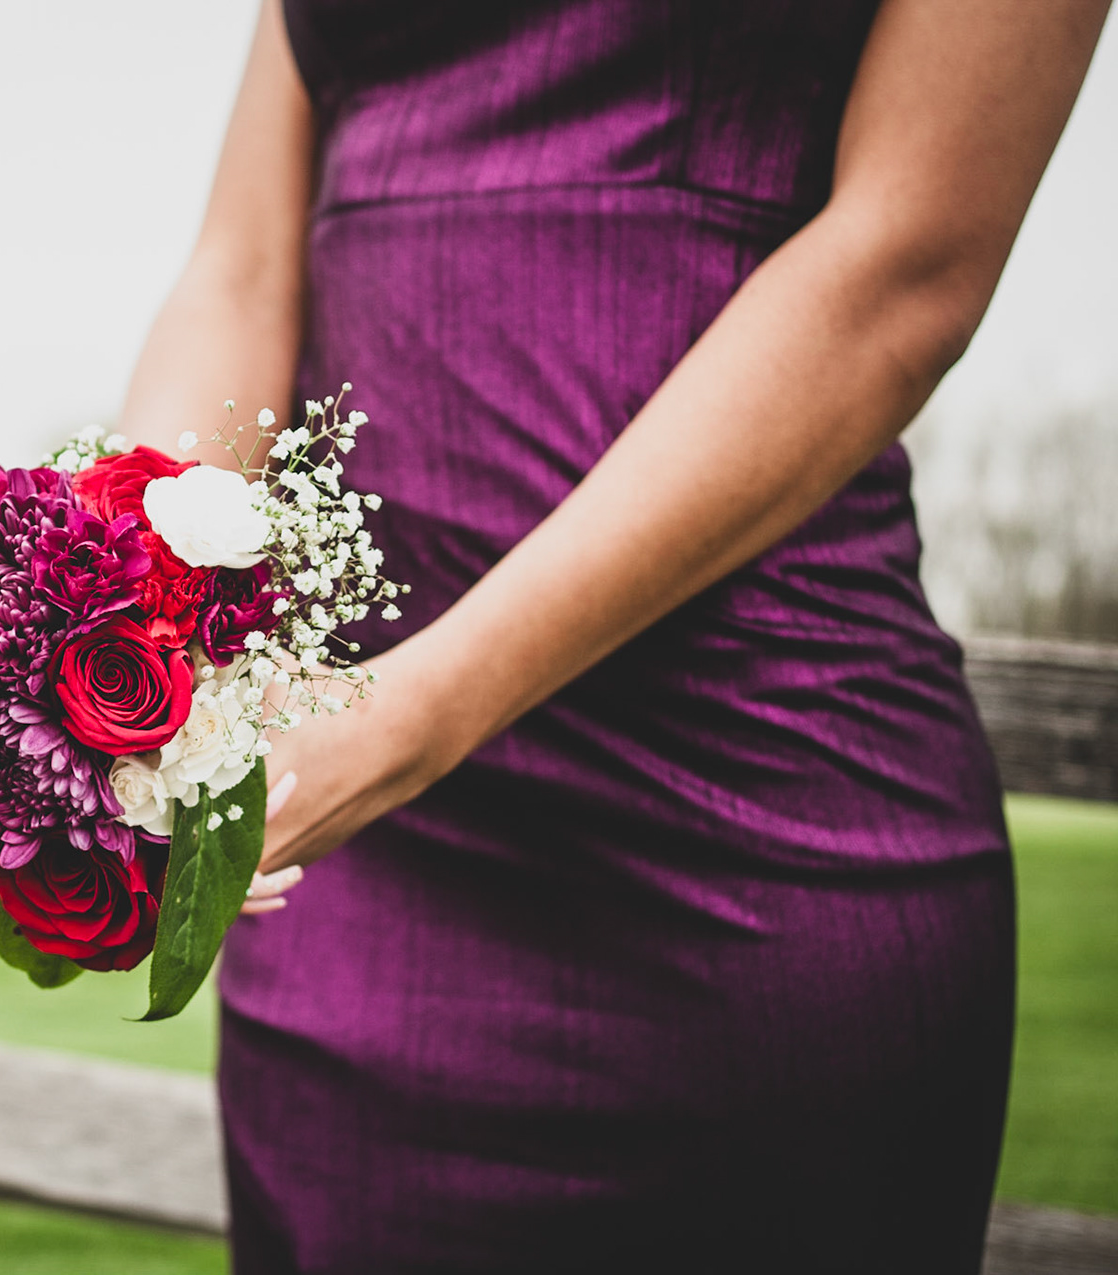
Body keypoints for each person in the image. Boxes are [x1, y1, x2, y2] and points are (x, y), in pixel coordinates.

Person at [110, 1, 1111, 1270]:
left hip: (746, 821)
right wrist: (115, 617)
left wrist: (404, 719)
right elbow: (242, 268)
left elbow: (906, 268)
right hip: (353, 860)